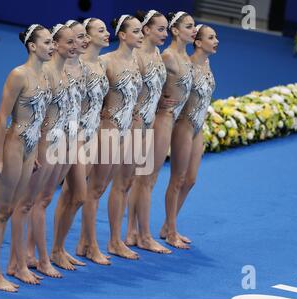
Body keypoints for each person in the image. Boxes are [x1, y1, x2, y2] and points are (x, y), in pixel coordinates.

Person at [0, 24, 53, 292]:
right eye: (47, 42)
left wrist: (34, 153)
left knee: (12, 209)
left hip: (30, 149)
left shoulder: (45, 76)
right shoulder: (18, 75)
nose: (52, 46)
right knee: (0, 211)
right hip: (13, 147)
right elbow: (2, 117)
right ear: (32, 46)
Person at [7, 24, 76, 279]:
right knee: (25, 204)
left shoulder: (64, 73)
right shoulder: (44, 72)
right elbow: (30, 115)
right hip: (43, 144)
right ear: (55, 44)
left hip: (59, 142)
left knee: (42, 201)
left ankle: (29, 256)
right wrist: (33, 149)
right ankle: (23, 262)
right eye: (68, 42)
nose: (73, 46)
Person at [126, 11, 197, 251]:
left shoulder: (161, 53)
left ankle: (133, 232)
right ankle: (141, 235)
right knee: (145, 179)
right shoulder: (164, 55)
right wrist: (149, 105)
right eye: (162, 30)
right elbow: (132, 84)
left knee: (145, 178)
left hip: (167, 119)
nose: (164, 34)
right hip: (158, 121)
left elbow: (156, 87)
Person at [79, 14, 143, 263]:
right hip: (108, 129)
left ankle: (110, 240)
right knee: (94, 189)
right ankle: (91, 243)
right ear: (123, 35)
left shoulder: (136, 60)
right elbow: (90, 92)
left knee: (118, 185)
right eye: (136, 32)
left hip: (128, 129)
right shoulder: (105, 61)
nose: (140, 36)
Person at [50, 18, 110, 270]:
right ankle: (53, 249)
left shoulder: (96, 66)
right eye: (79, 37)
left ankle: (60, 247)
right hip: (74, 135)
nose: (83, 42)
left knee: (76, 196)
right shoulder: (74, 66)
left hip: (91, 133)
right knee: (72, 195)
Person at [160, 23, 218, 249]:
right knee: (178, 179)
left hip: (198, 127)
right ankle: (171, 231)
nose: (216, 41)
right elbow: (166, 85)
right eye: (211, 37)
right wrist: (160, 102)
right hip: (183, 125)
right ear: (198, 42)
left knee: (191, 180)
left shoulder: (208, 63)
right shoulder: (188, 65)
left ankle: (167, 224)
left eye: (216, 37)